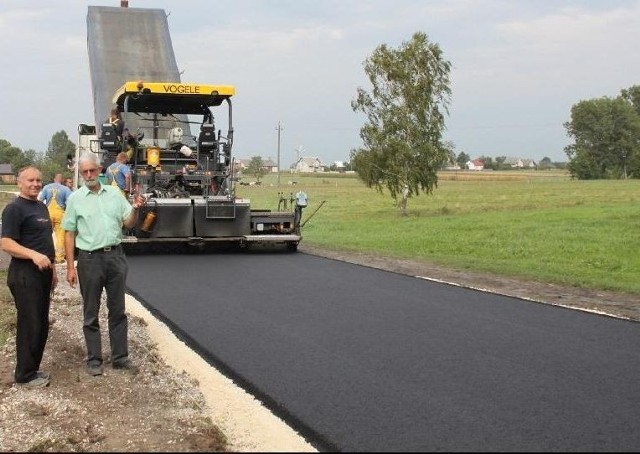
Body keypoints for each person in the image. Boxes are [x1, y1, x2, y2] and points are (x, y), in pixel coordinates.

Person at [62, 152, 145, 377]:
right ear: (81, 173)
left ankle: (120, 358)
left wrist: (136, 208)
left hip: (115, 257)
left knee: (117, 310)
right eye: (84, 171)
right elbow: (69, 234)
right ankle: (94, 359)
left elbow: (128, 221)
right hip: (89, 259)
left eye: (92, 170)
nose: (89, 175)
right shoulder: (75, 199)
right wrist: (70, 266)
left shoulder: (114, 194)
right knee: (90, 312)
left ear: (100, 171)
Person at [1, 166, 57, 388]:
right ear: (19, 183)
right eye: (30, 180)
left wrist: (53, 271)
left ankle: (33, 370)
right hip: (25, 274)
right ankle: (24, 375)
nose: (35, 184)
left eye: (38, 180)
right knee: (30, 323)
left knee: (41, 323)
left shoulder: (41, 207)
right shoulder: (14, 209)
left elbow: (45, 242)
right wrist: (33, 255)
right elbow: (6, 243)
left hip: (43, 274)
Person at [38, 173, 72, 263]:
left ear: (54, 179)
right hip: (60, 213)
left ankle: (45, 255)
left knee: (46, 234)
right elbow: (70, 202)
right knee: (60, 236)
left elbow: (40, 200)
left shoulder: (46, 187)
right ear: (62, 180)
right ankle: (59, 258)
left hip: (48, 213)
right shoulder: (65, 189)